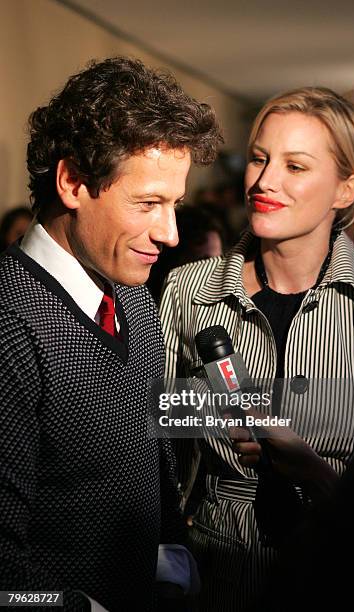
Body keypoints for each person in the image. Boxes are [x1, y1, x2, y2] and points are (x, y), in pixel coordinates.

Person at [158, 87, 354, 612]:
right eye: (261, 159)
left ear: (345, 189)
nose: (265, 182)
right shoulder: (188, 290)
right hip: (218, 573)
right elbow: (153, 431)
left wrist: (312, 469)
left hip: (347, 571)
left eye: (296, 166)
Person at [0, 56, 222, 611]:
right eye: (148, 203)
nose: (169, 233)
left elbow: (151, 446)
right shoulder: (10, 324)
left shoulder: (132, 295)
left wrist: (170, 550)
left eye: (174, 204)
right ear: (72, 182)